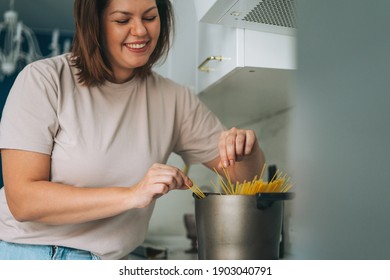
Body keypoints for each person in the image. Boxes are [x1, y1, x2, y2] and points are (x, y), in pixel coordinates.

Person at [0, 0, 265, 260]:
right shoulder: (43, 79)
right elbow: (23, 201)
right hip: (33, 256)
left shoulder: (174, 99)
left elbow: (242, 178)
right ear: (95, 25)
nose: (140, 31)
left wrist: (246, 150)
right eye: (122, 20)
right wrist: (132, 195)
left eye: (150, 17)